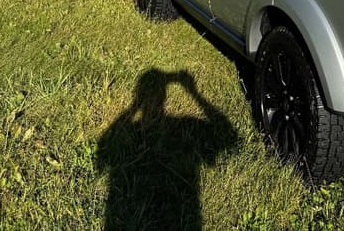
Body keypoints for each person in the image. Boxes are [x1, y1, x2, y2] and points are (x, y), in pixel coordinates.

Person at [96, 69, 238, 230]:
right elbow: (230, 138)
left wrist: (135, 105)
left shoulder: (133, 129)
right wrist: (194, 93)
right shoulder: (187, 124)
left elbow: (103, 153)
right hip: (182, 211)